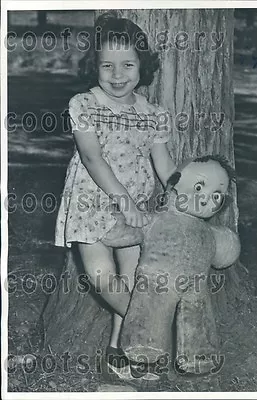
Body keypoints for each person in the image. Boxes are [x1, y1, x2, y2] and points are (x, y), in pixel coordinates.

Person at [55, 13, 176, 379]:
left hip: (135, 210)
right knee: (102, 278)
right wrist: (121, 198)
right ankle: (154, 335)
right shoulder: (84, 104)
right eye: (107, 65)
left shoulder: (153, 114)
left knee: (136, 277)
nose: (117, 74)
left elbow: (166, 166)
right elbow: (92, 157)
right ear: (95, 66)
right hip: (92, 204)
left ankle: (120, 350)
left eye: (127, 64)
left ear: (143, 66)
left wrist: (183, 195)